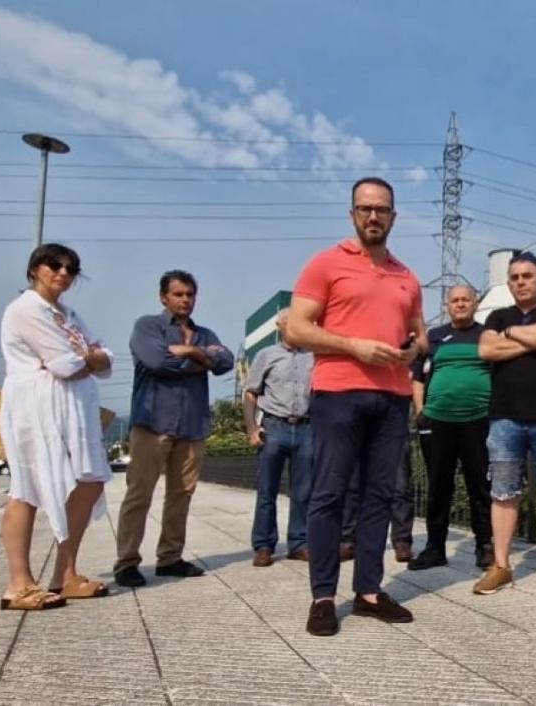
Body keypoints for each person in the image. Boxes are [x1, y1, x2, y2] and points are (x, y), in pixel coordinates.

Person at [288, 176, 427, 636]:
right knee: (329, 494)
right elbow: (297, 330)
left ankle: (368, 591)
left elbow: (420, 332)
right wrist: (353, 346)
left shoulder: (407, 276)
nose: (373, 216)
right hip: (338, 391)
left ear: (393, 216)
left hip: (392, 397)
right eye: (365, 208)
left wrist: (413, 349)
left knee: (379, 496)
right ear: (352, 214)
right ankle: (323, 596)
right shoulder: (325, 264)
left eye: (382, 209)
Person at [0, 243, 114, 610]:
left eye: (70, 269)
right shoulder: (24, 310)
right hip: (36, 406)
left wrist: (88, 358)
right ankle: (18, 583)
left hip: (74, 407)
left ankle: (66, 573)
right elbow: (64, 363)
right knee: (28, 488)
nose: (62, 273)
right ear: (35, 268)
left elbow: (104, 359)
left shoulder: (68, 313)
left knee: (92, 478)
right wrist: (86, 358)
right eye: (54, 265)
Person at [114, 270, 234, 588]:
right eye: (178, 294)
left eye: (190, 294)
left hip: (192, 424)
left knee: (181, 494)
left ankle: (170, 558)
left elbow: (226, 363)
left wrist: (193, 351)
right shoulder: (147, 326)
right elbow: (157, 363)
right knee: (139, 493)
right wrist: (202, 361)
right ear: (163, 296)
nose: (185, 300)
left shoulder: (203, 334)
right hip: (153, 422)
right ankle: (126, 562)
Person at [473, 252, 536, 597]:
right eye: (515, 277)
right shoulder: (496, 314)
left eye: (527, 276)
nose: (521, 282)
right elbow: (486, 351)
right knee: (503, 494)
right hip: (504, 418)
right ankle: (501, 566)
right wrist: (531, 339)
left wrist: (513, 334)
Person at [407, 284, 494, 571]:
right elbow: (417, 378)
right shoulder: (433, 337)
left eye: (465, 299)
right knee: (438, 487)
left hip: (478, 421)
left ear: (475, 302)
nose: (460, 304)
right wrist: (421, 413)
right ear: (447, 305)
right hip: (438, 421)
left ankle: (484, 547)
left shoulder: (487, 336)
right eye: (455, 300)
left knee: (480, 486)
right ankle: (435, 549)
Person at [243, 308, 314, 566]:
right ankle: (263, 546)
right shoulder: (266, 355)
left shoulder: (314, 356)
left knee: (304, 491)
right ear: (279, 326)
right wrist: (252, 428)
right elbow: (251, 393)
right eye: (290, 323)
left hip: (307, 428)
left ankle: (299, 543)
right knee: (267, 490)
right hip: (274, 427)